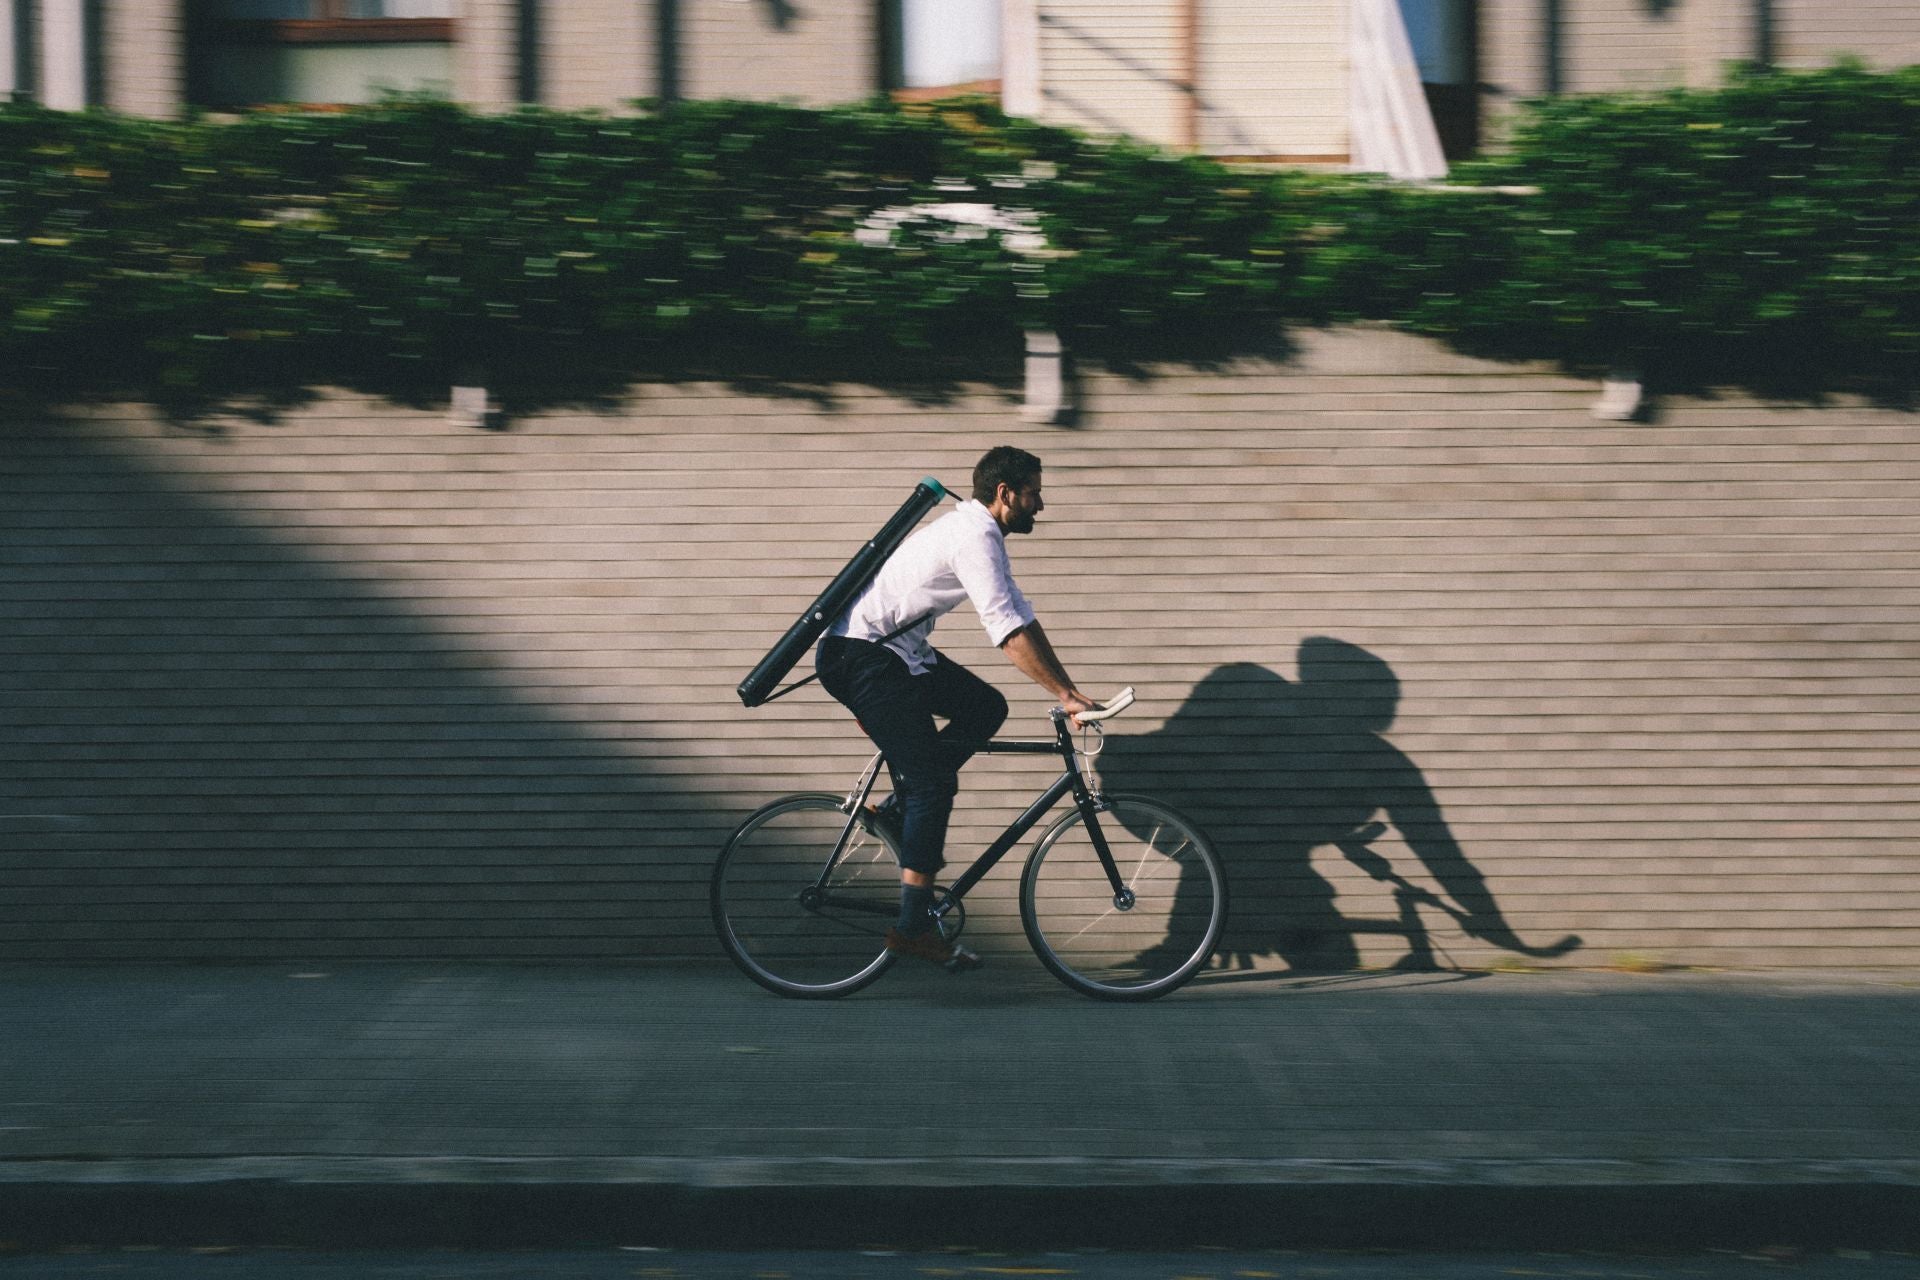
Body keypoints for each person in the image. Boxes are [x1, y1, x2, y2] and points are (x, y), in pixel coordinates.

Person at [816, 445, 1096, 972]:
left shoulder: (980, 533)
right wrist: (1061, 695)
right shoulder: (973, 536)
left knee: (986, 708)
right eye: (1035, 491)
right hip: (862, 658)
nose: (1042, 503)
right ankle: (914, 927)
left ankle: (900, 815)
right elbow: (1007, 633)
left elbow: (1022, 619)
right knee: (933, 784)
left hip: (893, 656)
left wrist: (1070, 689)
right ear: (1005, 493)